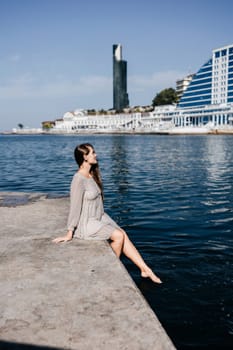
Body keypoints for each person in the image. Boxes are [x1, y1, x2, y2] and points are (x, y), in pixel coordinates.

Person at [53, 143, 162, 284]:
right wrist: (70, 232)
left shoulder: (92, 174)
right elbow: (75, 206)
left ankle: (145, 269)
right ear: (84, 157)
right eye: (92, 152)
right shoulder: (78, 179)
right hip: (86, 223)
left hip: (100, 217)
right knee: (118, 236)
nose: (95, 155)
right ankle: (109, 270)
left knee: (123, 233)